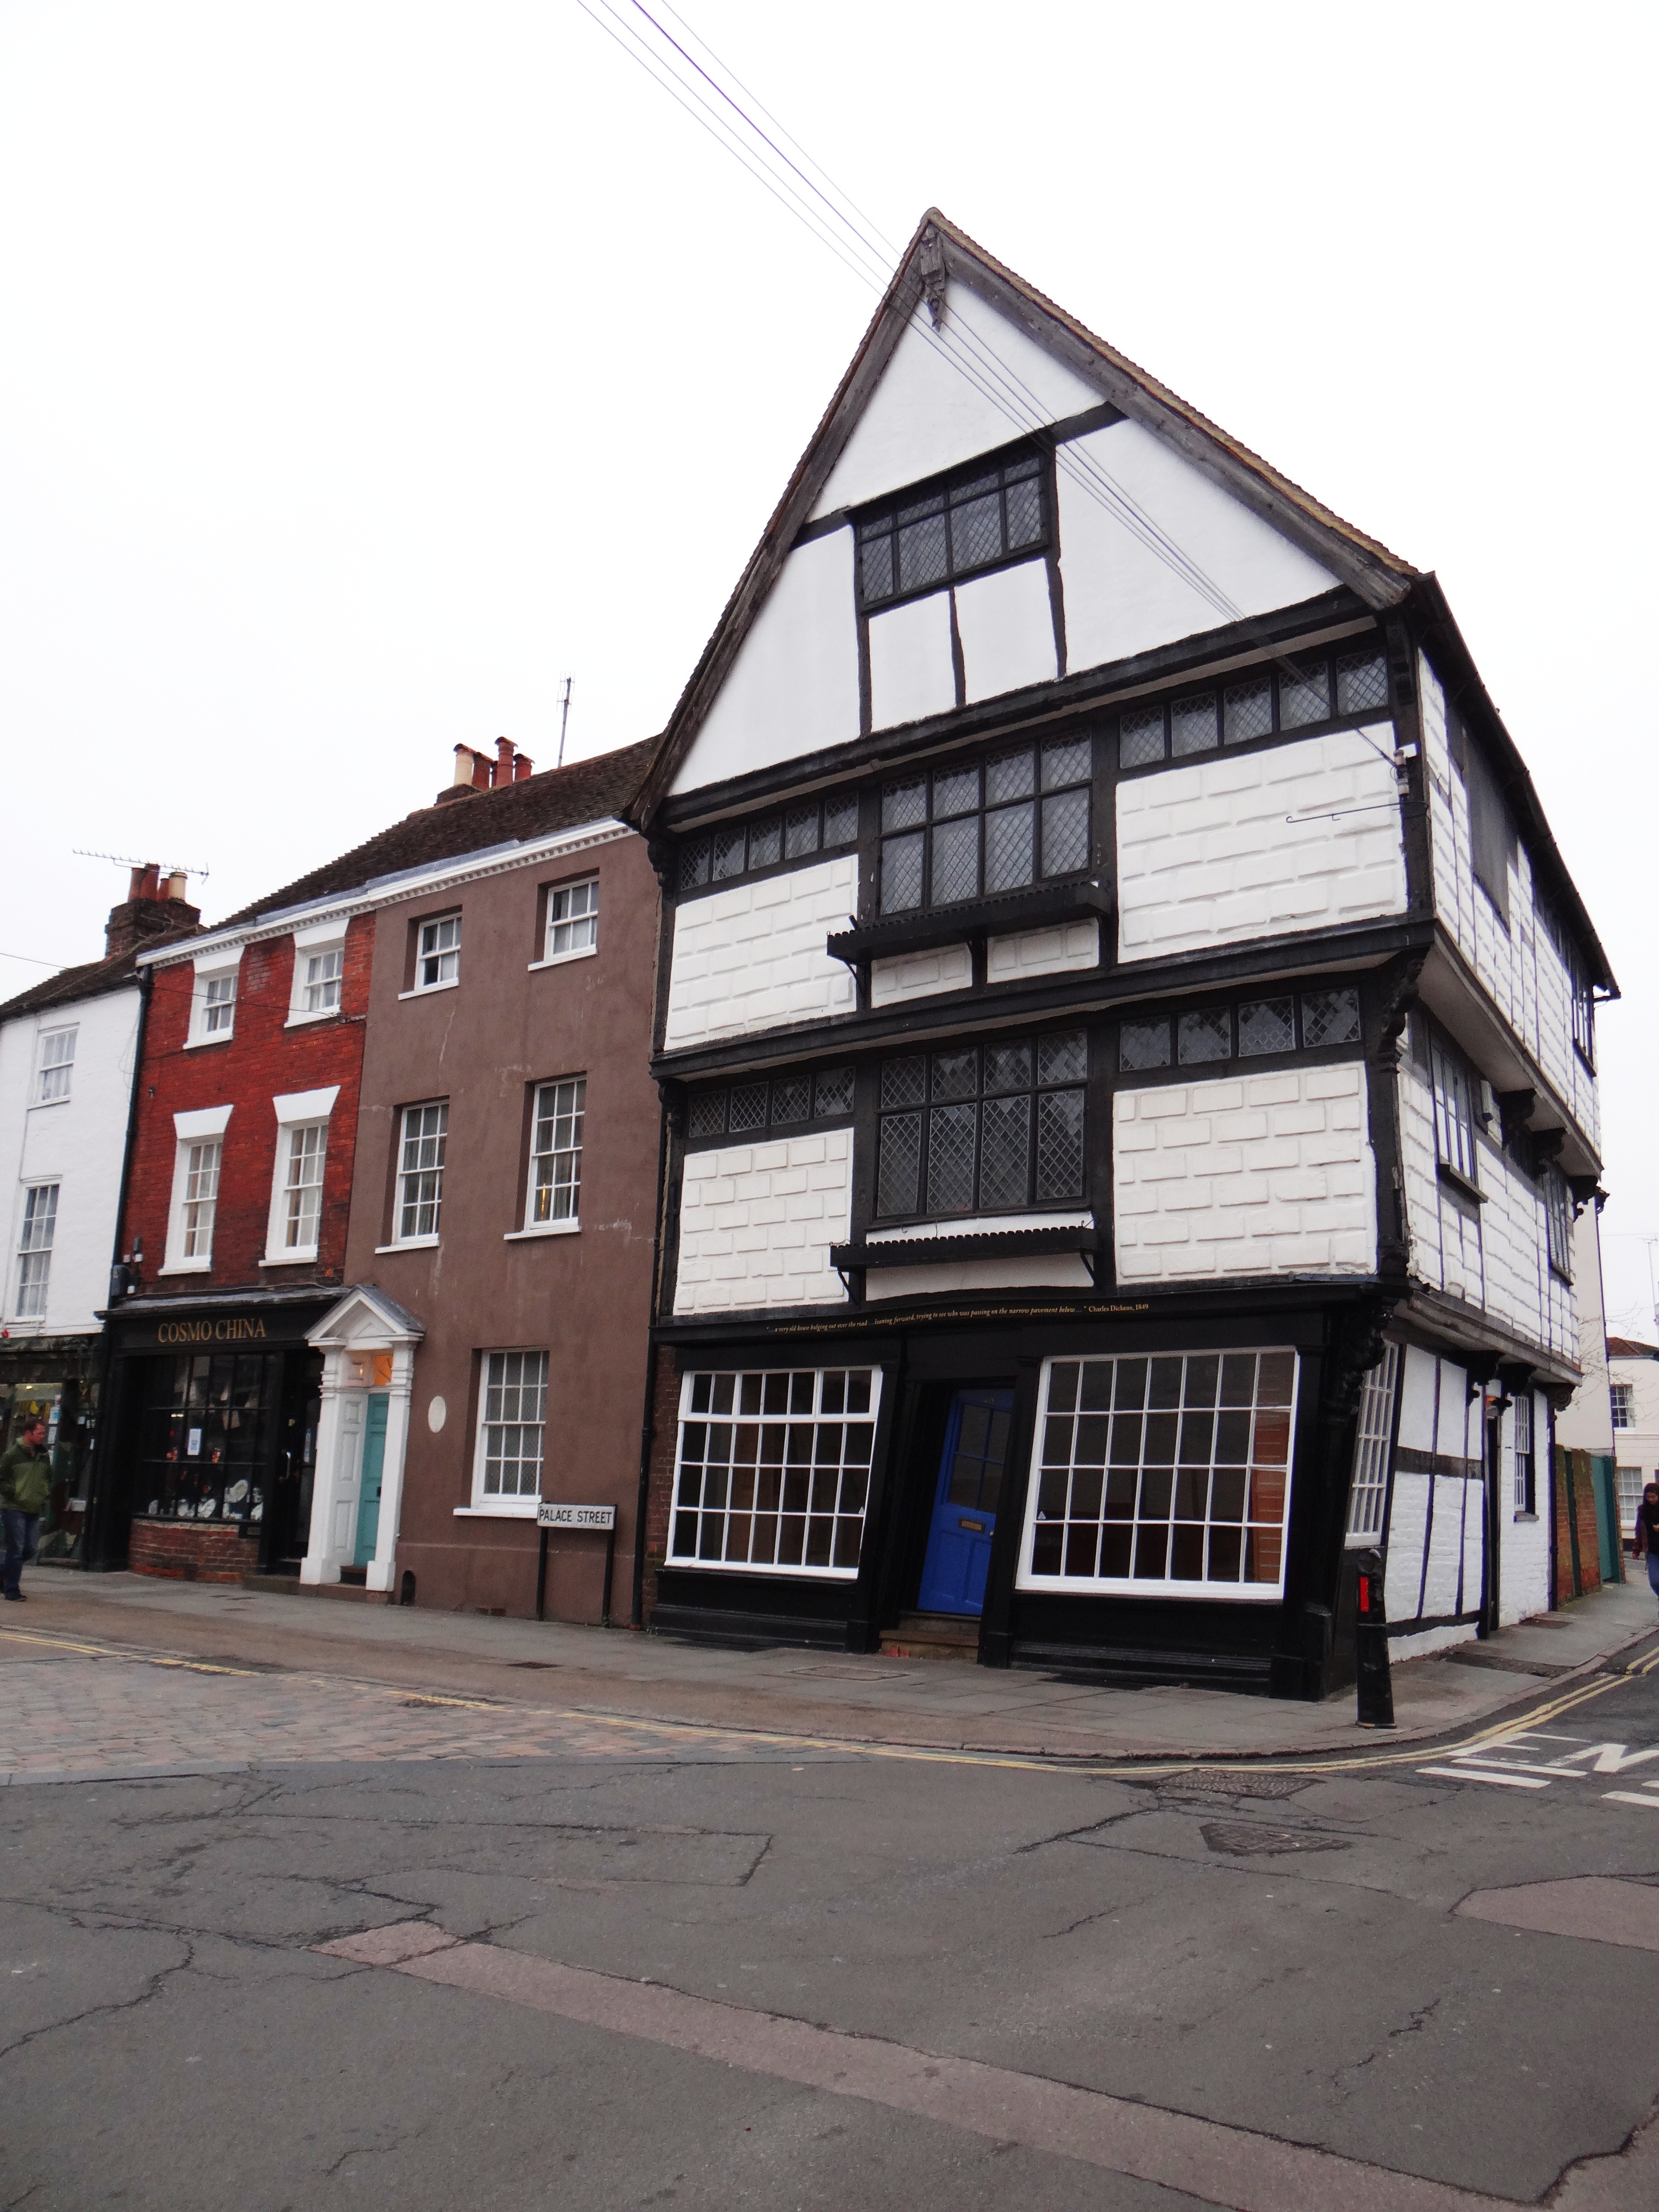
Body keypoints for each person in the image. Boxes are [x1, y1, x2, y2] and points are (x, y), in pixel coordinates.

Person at [0, 1418, 52, 1602]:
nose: (43, 1436)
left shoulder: (43, 1455)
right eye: (40, 1433)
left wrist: (44, 1494)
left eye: (44, 1433)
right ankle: (11, 1590)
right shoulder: (12, 1454)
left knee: (30, 1550)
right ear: (28, 1434)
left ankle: (2, 1574)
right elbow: (1, 1478)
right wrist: (15, 1493)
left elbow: (48, 1477)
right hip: (14, 1508)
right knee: (17, 1549)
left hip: (34, 1508)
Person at [1638, 1482, 1659, 1615]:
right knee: (1655, 1581)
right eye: (1648, 1497)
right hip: (1652, 1550)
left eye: (1653, 1497)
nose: (1651, 1500)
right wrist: (1637, 1547)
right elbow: (1639, 1529)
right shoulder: (1643, 1510)